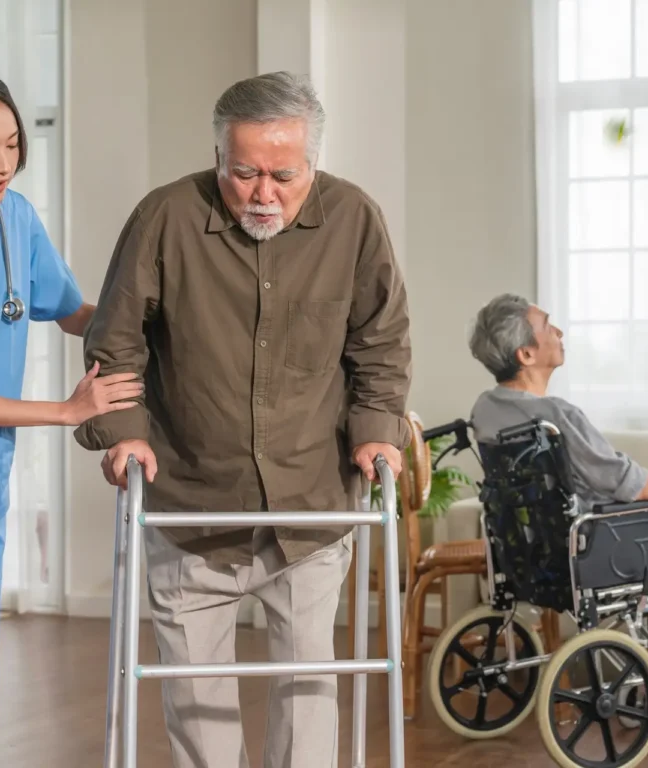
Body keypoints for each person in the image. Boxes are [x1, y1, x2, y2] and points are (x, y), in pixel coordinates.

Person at [74, 71, 411, 768]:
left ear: (312, 162)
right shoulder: (164, 217)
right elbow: (117, 341)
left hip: (310, 501)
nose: (262, 193)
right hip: (190, 500)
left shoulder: (354, 220)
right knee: (195, 697)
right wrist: (124, 433)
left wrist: (375, 431)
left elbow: (379, 340)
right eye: (242, 173)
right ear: (218, 155)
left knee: (309, 685)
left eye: (282, 175)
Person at [0, 69, 142, 768]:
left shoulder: (16, 221)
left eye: (12, 143)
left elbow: (76, 311)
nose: (3, 162)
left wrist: (145, 322)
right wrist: (66, 411)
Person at [467, 293, 648, 709]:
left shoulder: (485, 409)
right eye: (548, 326)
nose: (559, 332)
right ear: (526, 353)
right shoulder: (556, 415)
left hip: (537, 551)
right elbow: (627, 482)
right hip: (597, 546)